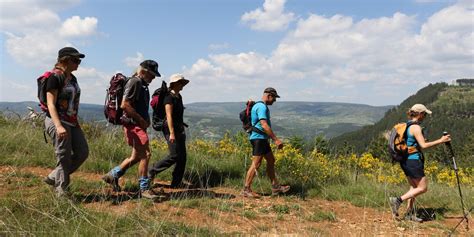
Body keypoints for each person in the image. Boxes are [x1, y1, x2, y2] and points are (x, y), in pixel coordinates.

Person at [102, 60, 161, 199]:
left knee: (136, 156)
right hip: (134, 125)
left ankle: (112, 176)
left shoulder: (141, 84)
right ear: (144, 71)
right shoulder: (136, 82)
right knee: (146, 154)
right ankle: (144, 189)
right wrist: (141, 120)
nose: (153, 78)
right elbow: (125, 105)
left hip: (135, 124)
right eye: (152, 75)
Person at [389, 104, 451, 221]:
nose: (425, 116)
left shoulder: (407, 125)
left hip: (405, 160)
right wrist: (441, 140)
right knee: (422, 188)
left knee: (414, 187)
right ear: (420, 114)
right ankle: (397, 200)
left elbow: (412, 143)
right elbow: (424, 145)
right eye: (425, 114)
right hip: (413, 161)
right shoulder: (416, 128)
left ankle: (409, 214)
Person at [43, 47, 89, 197]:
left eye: (79, 60)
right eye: (75, 60)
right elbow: (51, 104)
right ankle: (61, 194)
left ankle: (53, 177)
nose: (78, 63)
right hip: (58, 121)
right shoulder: (54, 78)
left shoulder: (72, 78)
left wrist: (75, 122)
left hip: (71, 122)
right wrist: (58, 126)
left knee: (82, 152)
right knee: (64, 157)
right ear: (65, 60)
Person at [242, 87, 290, 198]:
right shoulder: (261, 107)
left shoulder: (259, 106)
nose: (275, 100)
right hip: (259, 139)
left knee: (271, 160)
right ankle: (246, 189)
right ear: (269, 95)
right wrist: (276, 139)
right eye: (274, 98)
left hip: (262, 139)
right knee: (256, 163)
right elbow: (264, 124)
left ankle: (275, 186)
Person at [149, 74, 189, 188]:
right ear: (175, 83)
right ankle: (152, 170)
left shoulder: (178, 96)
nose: (182, 85)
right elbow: (169, 116)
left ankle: (176, 182)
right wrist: (172, 133)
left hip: (179, 128)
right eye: (181, 82)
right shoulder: (168, 97)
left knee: (182, 157)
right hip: (170, 129)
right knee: (174, 155)